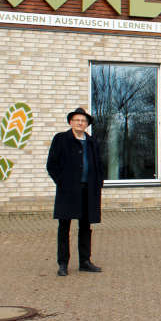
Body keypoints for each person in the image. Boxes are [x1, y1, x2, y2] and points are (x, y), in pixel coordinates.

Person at [46, 107, 104, 276]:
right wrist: (62, 182)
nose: (80, 123)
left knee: (86, 226)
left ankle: (85, 261)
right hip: (68, 191)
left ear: (87, 124)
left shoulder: (92, 142)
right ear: (71, 122)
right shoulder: (61, 139)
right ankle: (63, 263)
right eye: (77, 120)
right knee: (64, 227)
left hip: (88, 190)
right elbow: (52, 164)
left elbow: (99, 165)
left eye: (83, 121)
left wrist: (98, 182)